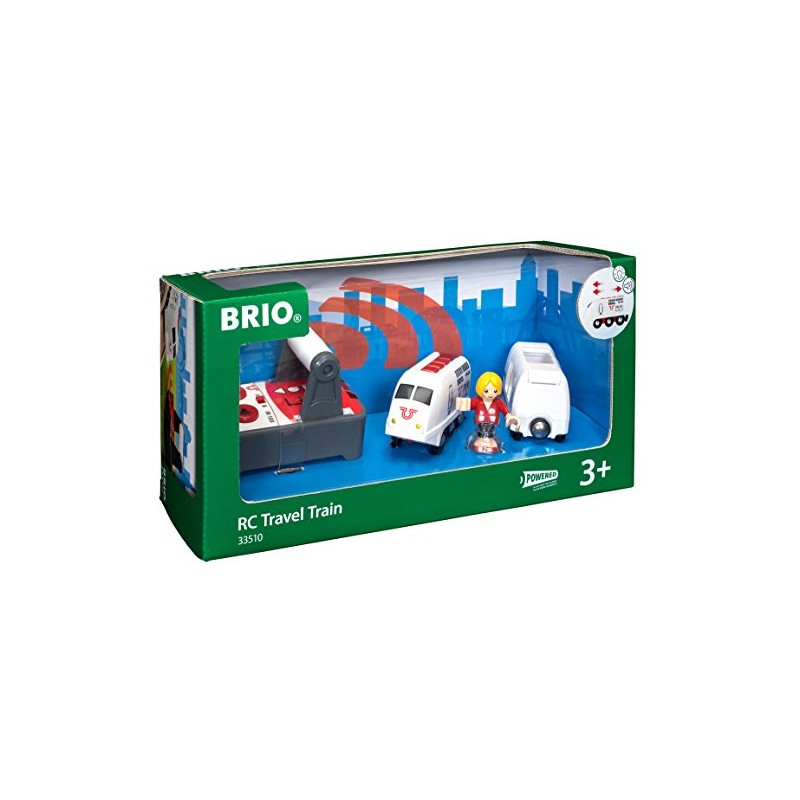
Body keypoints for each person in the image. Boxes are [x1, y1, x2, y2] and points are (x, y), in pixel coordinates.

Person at [456, 371, 519, 453]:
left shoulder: (498, 402)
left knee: (494, 439)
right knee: (474, 437)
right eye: (486, 391)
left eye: (495, 391)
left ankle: (496, 446)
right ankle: (473, 444)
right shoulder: (477, 401)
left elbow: (506, 413)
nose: (491, 394)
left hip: (492, 429)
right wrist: (459, 403)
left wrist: (510, 418)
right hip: (479, 428)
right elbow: (467, 404)